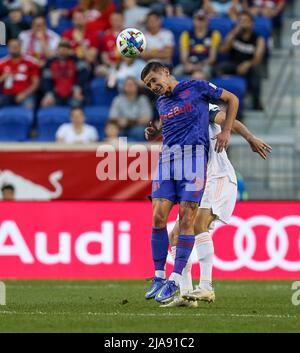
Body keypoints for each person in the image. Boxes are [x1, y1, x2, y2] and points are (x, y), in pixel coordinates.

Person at [146, 104, 272, 307]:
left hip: (218, 176)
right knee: (175, 236)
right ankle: (186, 294)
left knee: (198, 224)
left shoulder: (201, 107)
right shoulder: (177, 114)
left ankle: (206, 286)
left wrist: (250, 138)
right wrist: (157, 131)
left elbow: (231, 122)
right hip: (198, 180)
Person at [141, 61, 239, 303]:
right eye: (148, 84)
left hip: (195, 160)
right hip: (168, 159)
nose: (153, 86)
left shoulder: (197, 87)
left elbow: (233, 99)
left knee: (188, 219)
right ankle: (159, 276)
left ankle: (178, 281)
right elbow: (173, 124)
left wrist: (226, 131)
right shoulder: (161, 102)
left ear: (166, 72)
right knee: (158, 217)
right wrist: (156, 133)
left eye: (154, 79)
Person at [216, 11, 265, 110]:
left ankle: (256, 102)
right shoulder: (235, 35)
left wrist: (248, 63)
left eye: (246, 21)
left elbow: (258, 59)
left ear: (252, 23)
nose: (243, 23)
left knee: (256, 71)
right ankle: (217, 100)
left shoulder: (258, 39)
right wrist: (233, 34)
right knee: (218, 68)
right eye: (241, 20)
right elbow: (222, 50)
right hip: (233, 64)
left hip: (249, 66)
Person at [41, 39, 91, 108]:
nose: (63, 50)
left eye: (66, 48)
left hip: (73, 93)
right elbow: (46, 80)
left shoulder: (76, 60)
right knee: (46, 105)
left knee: (77, 105)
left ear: (70, 50)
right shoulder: (50, 62)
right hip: (55, 94)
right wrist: (49, 94)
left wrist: (77, 88)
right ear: (57, 50)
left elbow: (84, 75)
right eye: (61, 48)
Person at [174, 9, 221, 78]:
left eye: (202, 19)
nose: (200, 22)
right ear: (193, 20)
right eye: (198, 19)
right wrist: (188, 64)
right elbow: (183, 56)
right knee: (175, 72)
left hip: (206, 65)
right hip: (189, 63)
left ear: (207, 20)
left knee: (200, 75)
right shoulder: (186, 34)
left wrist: (199, 66)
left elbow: (212, 58)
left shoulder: (214, 34)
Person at [0, 39, 40, 109]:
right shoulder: (2, 63)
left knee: (29, 106)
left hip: (26, 95)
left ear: (21, 47)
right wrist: (3, 77)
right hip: (7, 95)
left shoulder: (31, 62)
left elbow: (36, 84)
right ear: (8, 48)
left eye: (15, 47)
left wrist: (24, 94)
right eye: (11, 47)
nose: (13, 49)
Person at [109, 77, 152, 141]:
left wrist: (128, 122)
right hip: (121, 127)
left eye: (131, 85)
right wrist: (119, 121)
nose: (129, 87)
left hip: (137, 127)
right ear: (123, 87)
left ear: (137, 87)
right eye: (127, 85)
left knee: (138, 131)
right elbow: (112, 117)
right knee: (112, 130)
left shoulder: (143, 99)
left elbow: (147, 118)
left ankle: (137, 150)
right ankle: (121, 150)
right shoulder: (118, 99)